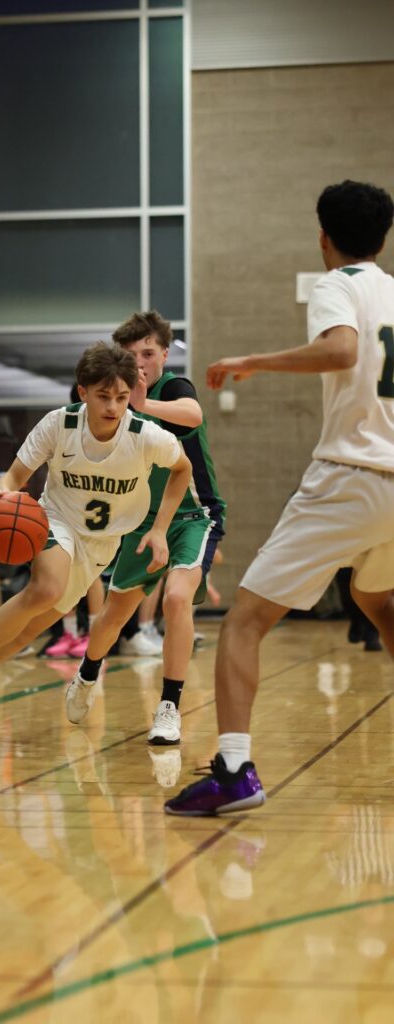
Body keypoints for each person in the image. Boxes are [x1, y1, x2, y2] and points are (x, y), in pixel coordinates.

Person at [165, 179, 394, 816]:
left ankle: (234, 770)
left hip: (353, 475)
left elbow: (341, 349)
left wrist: (255, 361)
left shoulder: (337, 285)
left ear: (323, 236)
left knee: (244, 620)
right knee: (377, 598)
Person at [0, 341, 192, 719]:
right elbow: (14, 476)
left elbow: (182, 470)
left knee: (29, 631)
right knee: (45, 588)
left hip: (103, 542)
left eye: (122, 397)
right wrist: (2, 496)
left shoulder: (145, 436)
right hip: (56, 519)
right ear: (83, 392)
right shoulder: (61, 424)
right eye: (103, 396)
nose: (112, 407)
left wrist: (159, 529)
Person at [66, 311, 226, 742]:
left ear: (163, 355)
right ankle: (86, 675)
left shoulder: (171, 389)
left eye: (148, 353)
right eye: (132, 355)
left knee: (177, 600)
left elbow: (192, 414)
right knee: (114, 615)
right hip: (141, 521)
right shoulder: (111, 398)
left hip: (193, 516)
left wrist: (145, 406)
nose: (140, 362)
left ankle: (169, 707)